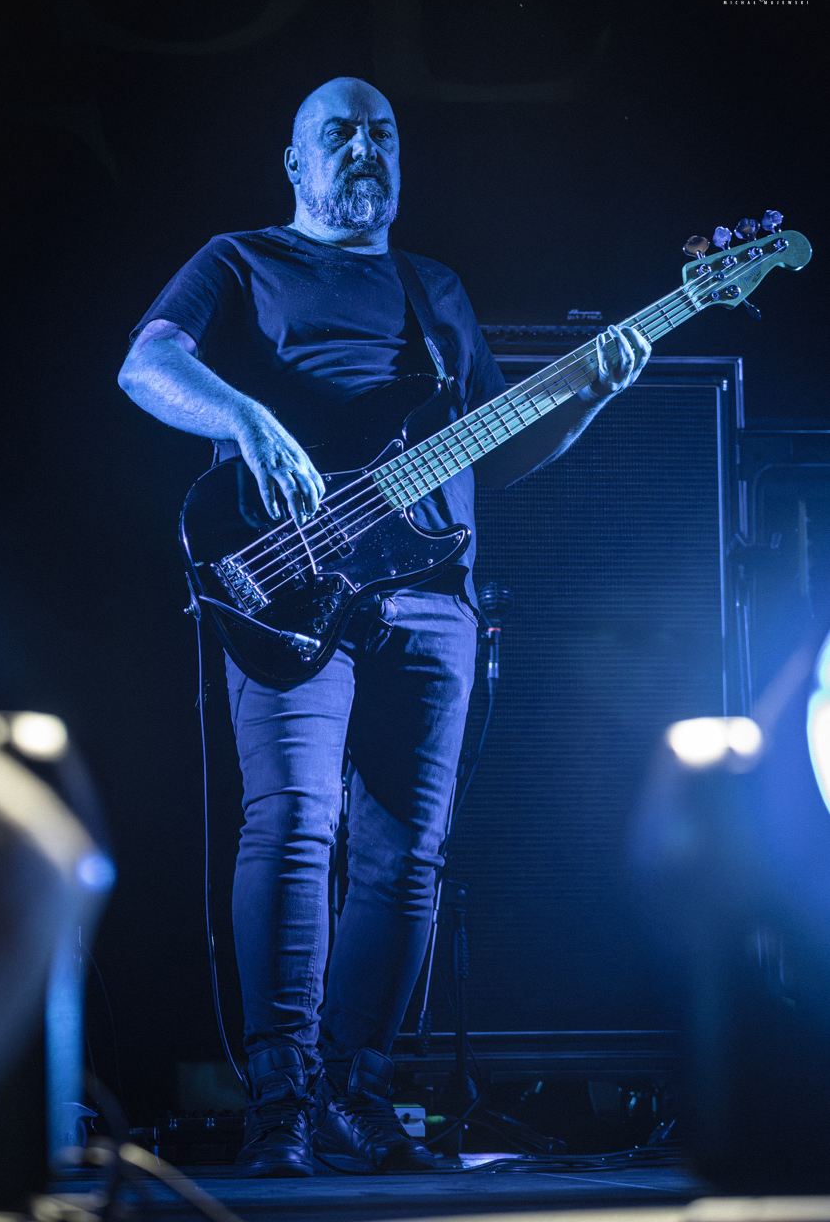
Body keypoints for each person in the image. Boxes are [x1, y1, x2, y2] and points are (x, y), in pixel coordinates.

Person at [119, 76, 651, 1177]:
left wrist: (588, 393)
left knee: (408, 855)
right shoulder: (240, 260)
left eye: (383, 135)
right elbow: (147, 364)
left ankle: (356, 1094)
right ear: (295, 162)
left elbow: (497, 446)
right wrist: (247, 417)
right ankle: (281, 1102)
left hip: (431, 594)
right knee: (295, 820)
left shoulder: (433, 287)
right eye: (340, 134)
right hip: (290, 580)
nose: (365, 148)